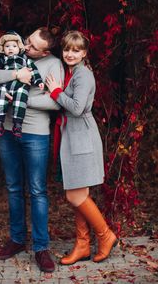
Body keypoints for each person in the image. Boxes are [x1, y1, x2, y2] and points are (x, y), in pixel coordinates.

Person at [0, 27, 64, 272]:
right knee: (14, 187)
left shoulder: (54, 65)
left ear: (45, 51)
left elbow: (54, 100)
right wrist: (16, 72)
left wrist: (22, 100)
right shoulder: (13, 54)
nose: (25, 46)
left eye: (32, 46)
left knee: (37, 190)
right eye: (26, 41)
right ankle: (17, 240)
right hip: (6, 131)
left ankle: (41, 248)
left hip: (36, 134)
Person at [45, 30, 118, 265]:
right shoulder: (71, 73)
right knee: (79, 194)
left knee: (74, 194)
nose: (70, 54)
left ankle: (105, 236)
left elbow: (76, 108)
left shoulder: (83, 75)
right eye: (66, 49)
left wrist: (55, 92)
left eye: (76, 50)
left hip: (81, 137)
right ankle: (83, 245)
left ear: (84, 53)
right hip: (72, 136)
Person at [0, 31, 44, 138]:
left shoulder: (26, 59)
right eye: (7, 46)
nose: (10, 48)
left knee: (20, 99)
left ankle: (17, 124)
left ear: (19, 47)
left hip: (20, 86)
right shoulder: (2, 58)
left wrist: (38, 81)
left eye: (14, 46)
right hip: (5, 85)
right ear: (3, 48)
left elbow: (34, 71)